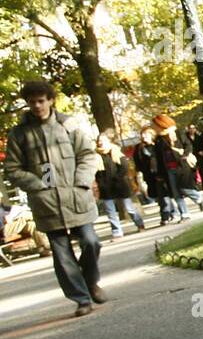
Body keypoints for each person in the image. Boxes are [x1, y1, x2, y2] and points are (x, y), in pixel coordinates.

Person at [3, 80, 105, 316]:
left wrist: (81, 181)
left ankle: (90, 281)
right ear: (27, 104)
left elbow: (87, 155)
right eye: (32, 102)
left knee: (91, 242)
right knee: (61, 254)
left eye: (41, 100)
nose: (37, 105)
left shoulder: (69, 125)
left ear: (50, 100)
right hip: (46, 202)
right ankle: (81, 299)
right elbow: (12, 168)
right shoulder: (20, 134)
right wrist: (37, 185)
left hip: (76, 196)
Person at [94, 133, 145, 238]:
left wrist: (117, 178)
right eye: (99, 140)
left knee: (129, 208)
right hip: (106, 187)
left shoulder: (116, 151)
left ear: (108, 141)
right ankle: (117, 232)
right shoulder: (96, 156)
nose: (100, 142)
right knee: (110, 212)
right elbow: (95, 172)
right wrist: (100, 184)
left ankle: (139, 224)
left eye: (102, 140)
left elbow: (124, 168)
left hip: (120, 185)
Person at [183, 123, 203, 191]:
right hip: (191, 157)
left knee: (202, 172)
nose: (192, 130)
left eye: (193, 128)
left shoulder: (199, 137)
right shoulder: (185, 138)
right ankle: (195, 187)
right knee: (192, 173)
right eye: (190, 128)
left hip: (199, 156)